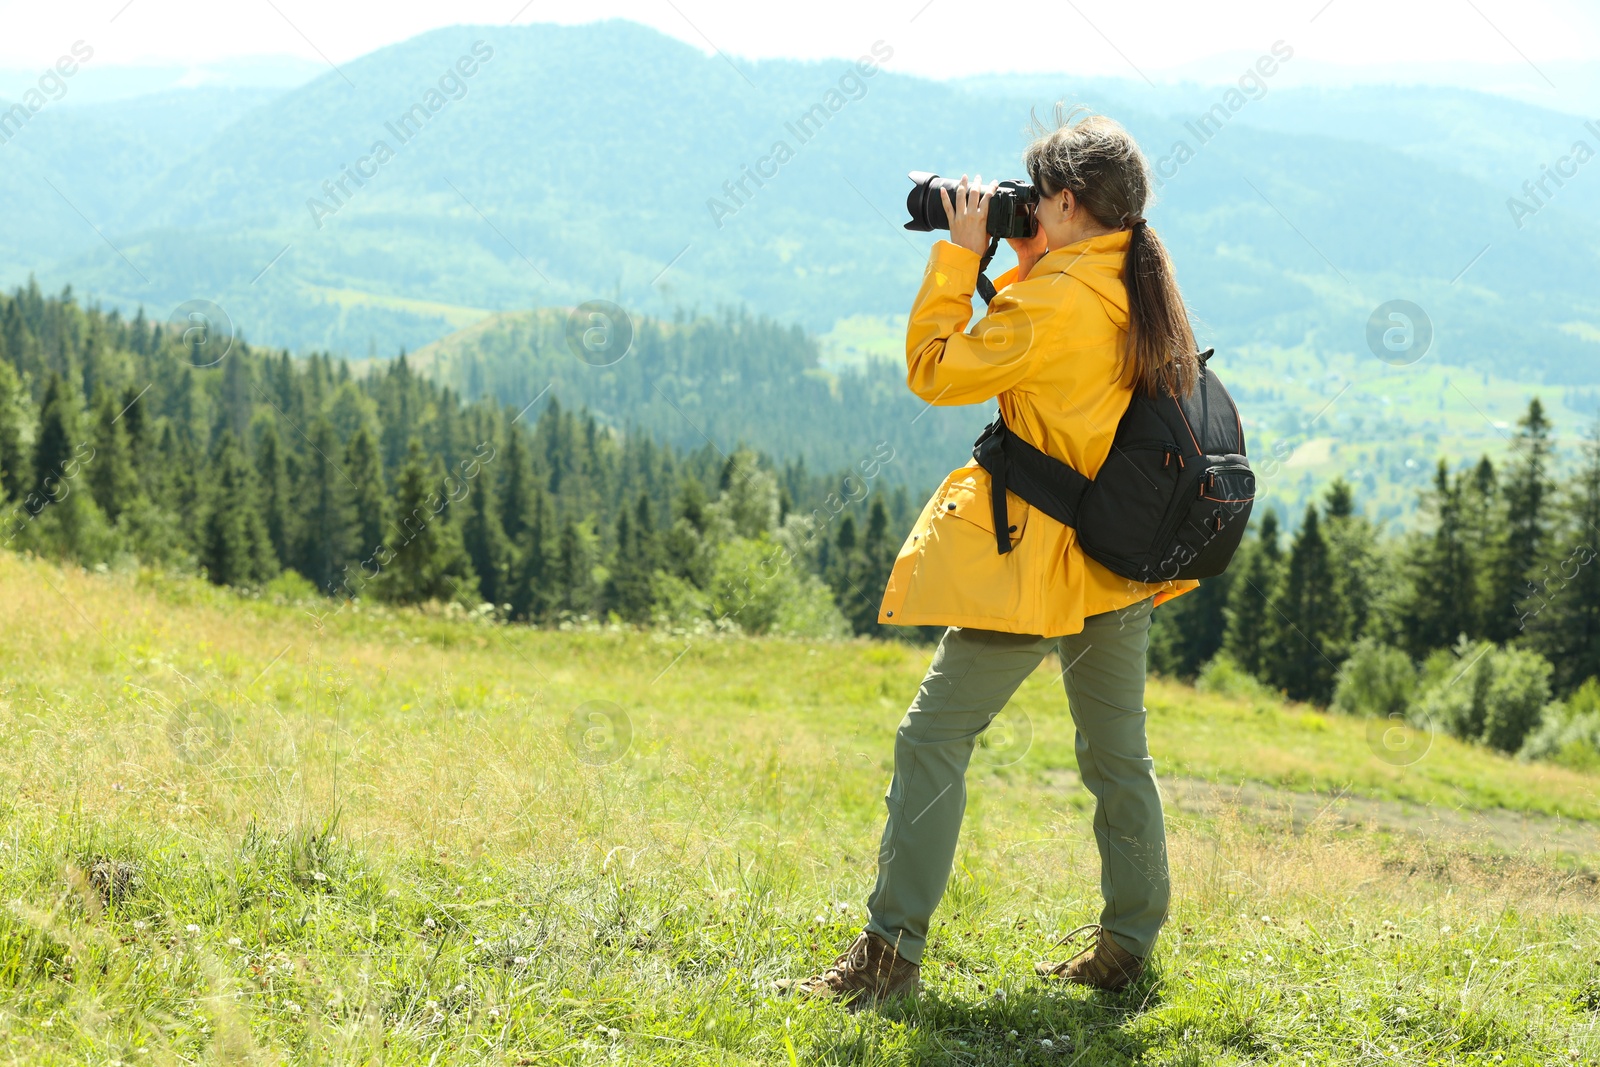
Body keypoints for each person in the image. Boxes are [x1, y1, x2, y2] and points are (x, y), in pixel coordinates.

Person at [784, 107, 1202, 1008]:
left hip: (1039, 565)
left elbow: (937, 370)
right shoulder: (1131, 278)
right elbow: (1062, 368)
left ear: (1062, 200)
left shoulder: (1054, 297)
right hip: (1117, 558)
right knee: (1117, 757)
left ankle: (890, 956)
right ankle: (1129, 945)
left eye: (1033, 204)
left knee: (931, 739)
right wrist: (1019, 258)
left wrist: (956, 256)